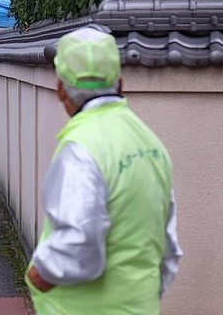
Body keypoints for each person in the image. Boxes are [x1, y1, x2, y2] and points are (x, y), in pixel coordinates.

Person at [26, 27, 182, 314]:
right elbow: (168, 246)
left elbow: (79, 242)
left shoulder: (81, 146)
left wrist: (39, 274)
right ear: (120, 83)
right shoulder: (150, 143)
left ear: (61, 89)